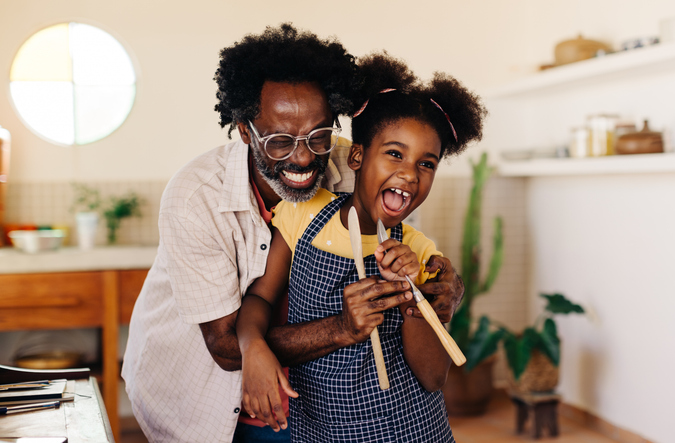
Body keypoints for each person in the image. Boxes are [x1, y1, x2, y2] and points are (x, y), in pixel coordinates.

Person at [122, 24, 465, 443]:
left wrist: (443, 285)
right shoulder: (196, 195)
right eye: (280, 141)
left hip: (316, 411)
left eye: (319, 135)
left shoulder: (354, 161)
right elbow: (228, 347)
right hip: (209, 396)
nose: (303, 157)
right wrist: (343, 327)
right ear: (246, 131)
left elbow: (402, 235)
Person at [235, 52, 487, 442]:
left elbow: (434, 376)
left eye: (427, 163)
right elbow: (261, 300)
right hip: (322, 429)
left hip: (412, 428)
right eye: (394, 153)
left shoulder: (419, 251)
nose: (409, 172)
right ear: (357, 156)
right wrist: (252, 348)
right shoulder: (304, 213)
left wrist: (412, 296)